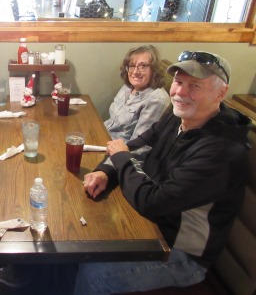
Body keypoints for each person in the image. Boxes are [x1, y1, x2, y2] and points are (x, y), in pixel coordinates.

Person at [76, 51, 251, 295]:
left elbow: (152, 201)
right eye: (179, 82)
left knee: (94, 275)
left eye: (195, 86)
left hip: (183, 254)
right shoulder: (177, 114)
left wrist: (119, 158)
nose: (180, 92)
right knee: (83, 235)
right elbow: (135, 144)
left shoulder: (221, 151)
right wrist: (107, 171)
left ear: (221, 93)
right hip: (153, 225)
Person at [104, 45, 170, 144]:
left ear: (154, 70)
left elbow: (138, 146)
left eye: (143, 66)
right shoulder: (127, 87)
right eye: (132, 66)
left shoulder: (157, 99)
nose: (135, 72)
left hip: (116, 150)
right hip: (103, 136)